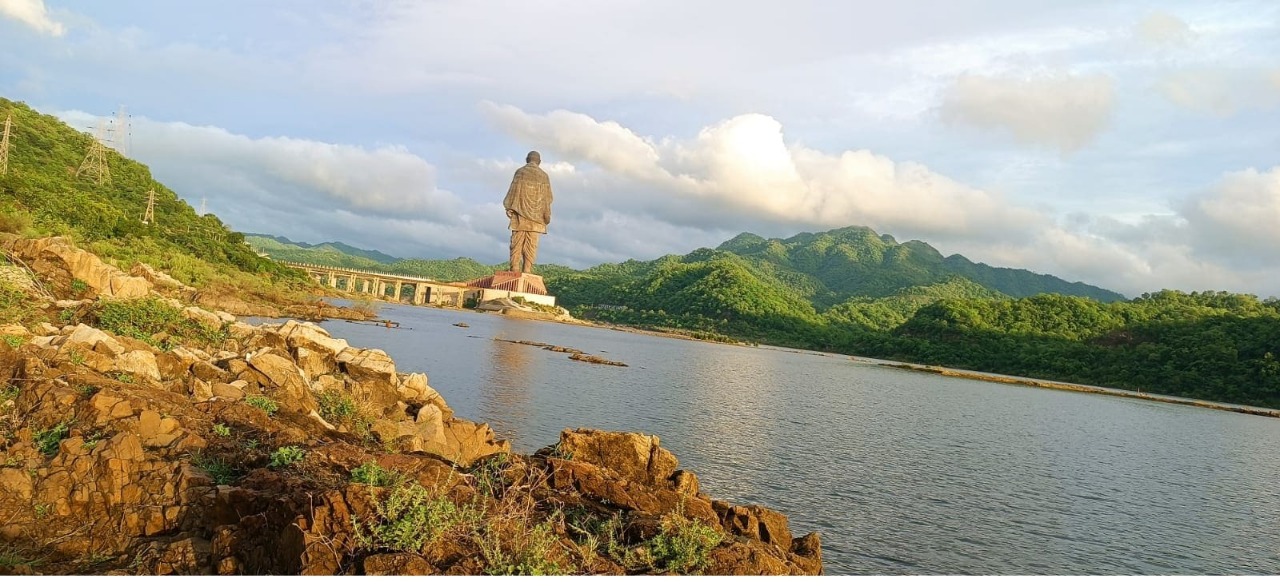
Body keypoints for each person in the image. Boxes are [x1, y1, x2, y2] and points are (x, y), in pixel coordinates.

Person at [502, 150, 553, 273]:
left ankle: (514, 268)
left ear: (527, 159)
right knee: (531, 245)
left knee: (516, 243)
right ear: (539, 162)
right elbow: (548, 198)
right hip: (536, 218)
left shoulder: (520, 172)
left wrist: (509, 207)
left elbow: (512, 191)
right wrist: (547, 215)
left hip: (519, 215)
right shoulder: (544, 176)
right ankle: (527, 269)